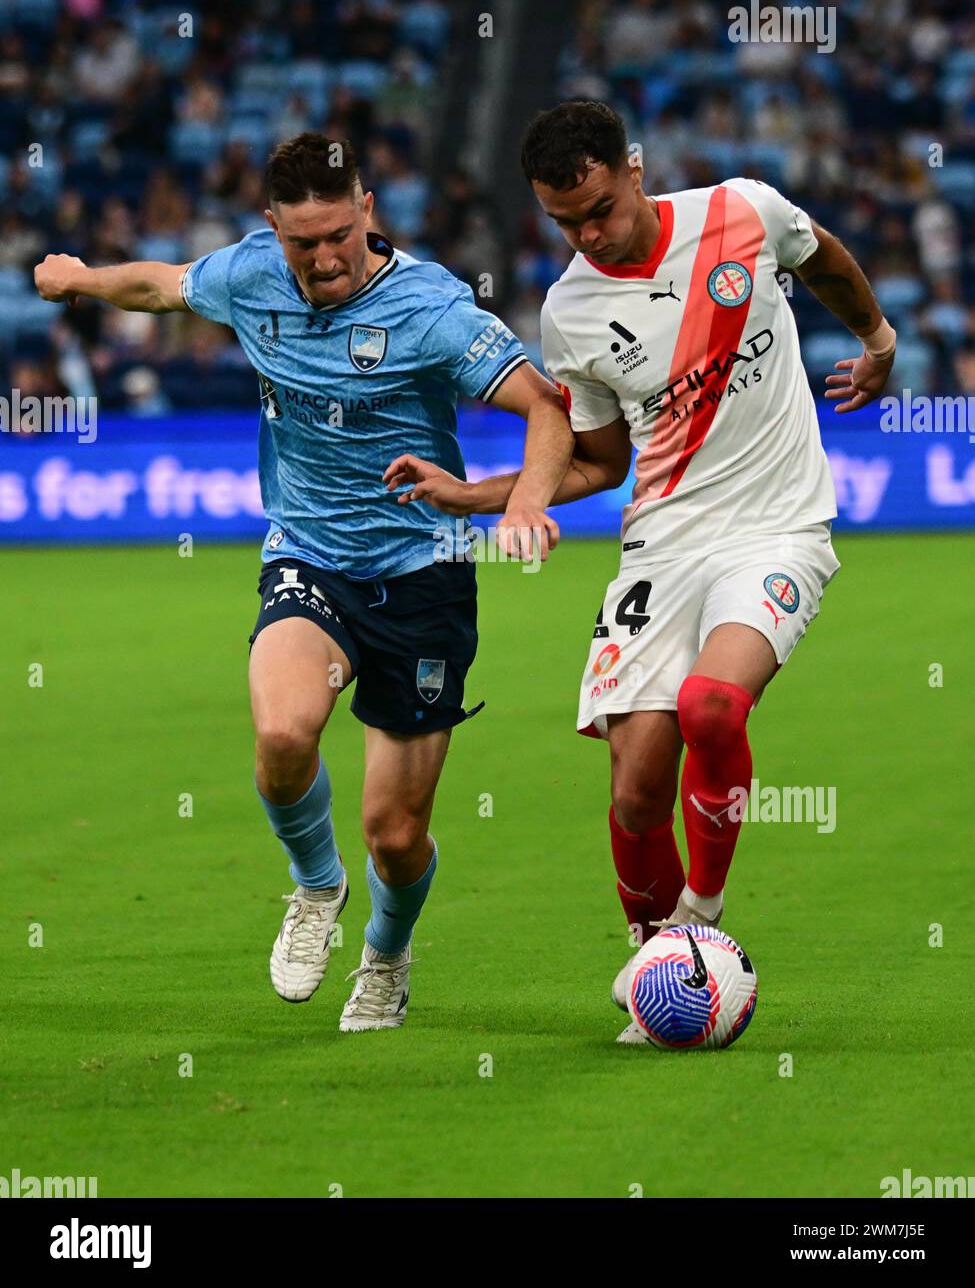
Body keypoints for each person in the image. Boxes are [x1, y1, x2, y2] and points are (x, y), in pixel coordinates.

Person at [34, 132, 573, 1032]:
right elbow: (162, 286)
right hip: (309, 557)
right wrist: (81, 277)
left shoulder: (431, 307)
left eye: (337, 234)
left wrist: (523, 504)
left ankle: (387, 957)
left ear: (365, 208)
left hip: (424, 575)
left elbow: (542, 404)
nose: (323, 258)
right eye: (301, 242)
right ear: (271, 229)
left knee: (395, 838)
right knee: (284, 735)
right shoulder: (251, 276)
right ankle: (315, 887)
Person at [384, 100, 897, 1043]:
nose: (586, 235)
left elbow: (822, 255)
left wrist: (875, 341)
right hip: (660, 545)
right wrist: (477, 497)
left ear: (631, 168)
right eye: (561, 221)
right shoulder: (571, 309)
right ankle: (655, 956)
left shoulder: (742, 213)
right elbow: (599, 461)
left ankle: (697, 931)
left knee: (712, 707)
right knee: (633, 789)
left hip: (777, 529)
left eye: (596, 210)